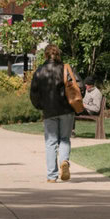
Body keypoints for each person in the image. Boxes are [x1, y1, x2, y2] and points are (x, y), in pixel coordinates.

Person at [28, 43, 85, 182]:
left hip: (49, 111)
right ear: (58, 54)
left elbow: (33, 93)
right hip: (66, 109)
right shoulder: (66, 68)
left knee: (50, 142)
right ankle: (64, 161)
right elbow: (80, 86)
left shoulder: (40, 71)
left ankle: (52, 175)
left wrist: (40, 106)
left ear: (46, 55)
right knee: (65, 139)